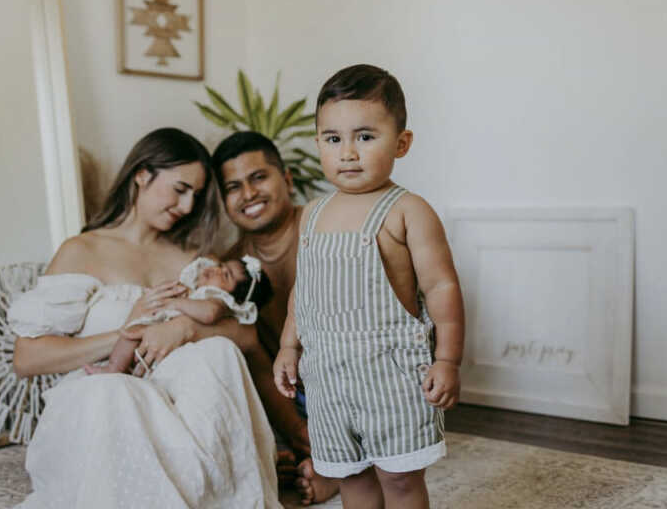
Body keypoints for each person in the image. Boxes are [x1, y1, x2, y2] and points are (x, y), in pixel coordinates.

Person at [8, 128, 281, 508]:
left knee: (217, 352)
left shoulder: (193, 260)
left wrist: (182, 327)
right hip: (99, 395)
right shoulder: (82, 250)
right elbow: (27, 359)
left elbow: (246, 338)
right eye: (180, 189)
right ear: (142, 174)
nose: (187, 207)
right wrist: (126, 332)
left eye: (196, 196)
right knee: (114, 391)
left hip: (172, 399)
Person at [273, 64, 465, 509]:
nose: (348, 153)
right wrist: (289, 347)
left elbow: (441, 288)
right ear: (318, 141)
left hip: (390, 377)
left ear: (401, 143)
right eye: (333, 139)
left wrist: (448, 359)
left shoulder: (408, 210)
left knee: (398, 479)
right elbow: (305, 289)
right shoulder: (313, 214)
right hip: (329, 380)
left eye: (365, 136)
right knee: (351, 477)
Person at [213, 131, 340, 505]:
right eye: (233, 186)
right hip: (293, 395)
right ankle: (308, 451)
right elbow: (256, 359)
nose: (248, 194)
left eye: (258, 177)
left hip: (353, 378)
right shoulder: (230, 268)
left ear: (286, 179)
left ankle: (338, 465)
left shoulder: (329, 228)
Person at [86, 255, 273, 375]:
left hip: (175, 346)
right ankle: (116, 367)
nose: (217, 269)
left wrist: (175, 303)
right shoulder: (198, 287)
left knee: (133, 334)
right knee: (131, 331)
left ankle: (116, 368)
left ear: (236, 299)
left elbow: (209, 314)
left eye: (226, 275)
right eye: (222, 265)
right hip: (160, 333)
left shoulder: (218, 300)